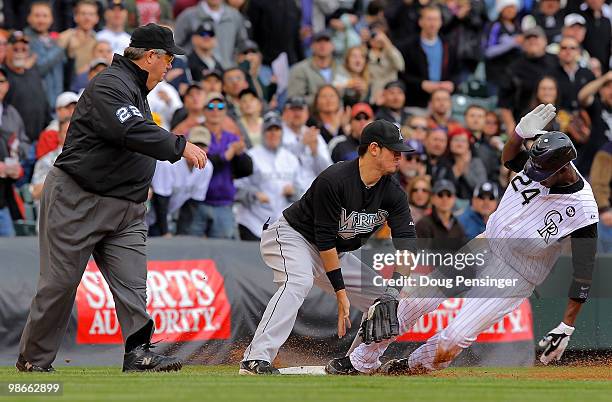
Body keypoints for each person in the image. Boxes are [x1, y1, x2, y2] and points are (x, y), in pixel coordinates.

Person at [325, 104, 599, 376]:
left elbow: (583, 274)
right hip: (485, 246)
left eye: (541, 172)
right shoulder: (545, 162)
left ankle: (409, 367)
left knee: (453, 339)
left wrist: (566, 326)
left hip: (515, 277)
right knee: (415, 300)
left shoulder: (584, 210)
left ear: (564, 169)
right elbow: (509, 157)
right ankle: (360, 362)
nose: (533, 174)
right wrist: (517, 135)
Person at [17, 23, 207, 373]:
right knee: (59, 285)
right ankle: (34, 362)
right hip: (79, 199)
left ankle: (138, 354)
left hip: (126, 209)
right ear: (150, 56)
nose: (170, 66)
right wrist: (180, 145)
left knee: (134, 286)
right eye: (167, 58)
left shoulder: (135, 88)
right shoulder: (110, 84)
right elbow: (130, 129)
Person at [240, 119, 417, 375]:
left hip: (337, 252)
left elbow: (407, 244)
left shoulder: (393, 192)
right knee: (298, 281)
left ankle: (355, 363)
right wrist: (340, 292)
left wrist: (393, 289)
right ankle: (254, 359)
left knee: (384, 303)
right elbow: (324, 238)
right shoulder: (335, 179)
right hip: (293, 236)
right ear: (374, 149)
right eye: (395, 150)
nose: (400, 157)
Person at [235, 112, 300, 241]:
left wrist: (294, 192)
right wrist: (254, 194)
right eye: (269, 130)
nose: (273, 134)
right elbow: (236, 187)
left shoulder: (291, 159)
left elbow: (303, 191)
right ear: (263, 133)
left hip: (282, 226)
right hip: (253, 222)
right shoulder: (251, 156)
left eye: (277, 129)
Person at [148, 126, 214, 237]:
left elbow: (193, 203)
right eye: (196, 144)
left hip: (169, 213)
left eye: (203, 146)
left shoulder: (207, 168)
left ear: (208, 149)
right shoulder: (168, 163)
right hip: (148, 211)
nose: (199, 149)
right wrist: (165, 232)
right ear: (188, 144)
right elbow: (160, 200)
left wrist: (182, 233)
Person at [174, 0, 248, 68]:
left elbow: (242, 44)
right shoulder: (188, 16)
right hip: (196, 73)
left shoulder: (235, 16)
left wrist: (233, 62)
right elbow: (176, 45)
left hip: (227, 72)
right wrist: (189, 62)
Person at [281, 96, 332, 192]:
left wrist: (315, 153)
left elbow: (328, 172)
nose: (297, 113)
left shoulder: (315, 136)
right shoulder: (276, 134)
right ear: (284, 113)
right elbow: (280, 164)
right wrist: (302, 144)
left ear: (307, 114)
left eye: (300, 109)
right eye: (293, 109)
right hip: (287, 194)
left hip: (312, 194)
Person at [25, 1, 66, 109]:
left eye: (45, 16)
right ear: (29, 18)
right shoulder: (24, 41)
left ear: (51, 19)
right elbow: (39, 68)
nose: (41, 20)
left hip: (57, 103)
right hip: (36, 103)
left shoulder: (55, 40)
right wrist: (60, 48)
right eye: (37, 15)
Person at [287, 30, 343, 106]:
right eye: (319, 41)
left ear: (333, 46)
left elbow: (348, 97)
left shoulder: (340, 69)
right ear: (312, 46)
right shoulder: (300, 69)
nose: (323, 45)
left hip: (337, 115)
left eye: (326, 41)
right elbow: (294, 99)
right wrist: (323, 99)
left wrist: (356, 92)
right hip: (311, 115)